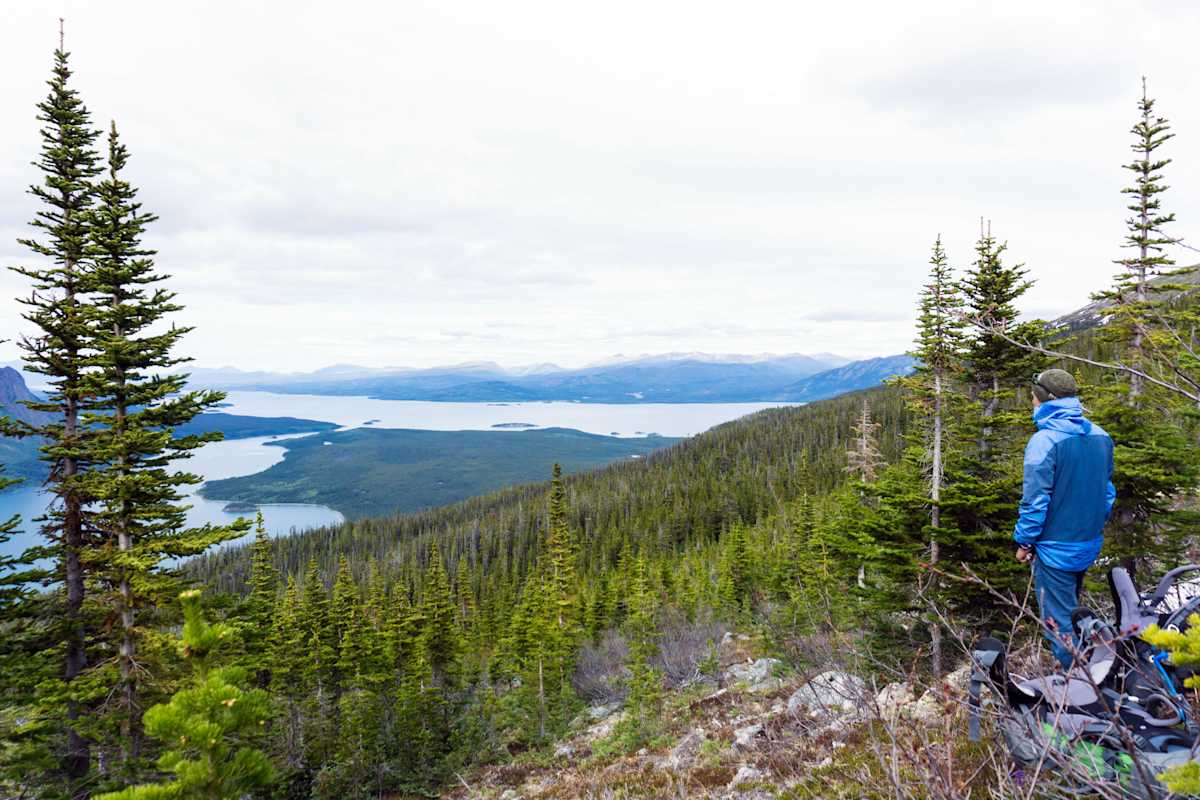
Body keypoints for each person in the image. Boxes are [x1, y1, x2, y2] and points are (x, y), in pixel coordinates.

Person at [1013, 368, 1115, 669]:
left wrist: (1024, 541)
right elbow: (1107, 492)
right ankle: (1094, 671)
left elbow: (1035, 501)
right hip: (1087, 542)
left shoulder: (1044, 442)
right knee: (1074, 612)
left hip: (1055, 548)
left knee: (1060, 625)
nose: (1031, 401)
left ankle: (1082, 694)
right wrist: (1093, 524)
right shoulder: (1101, 436)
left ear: (1044, 399)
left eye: (1033, 397)